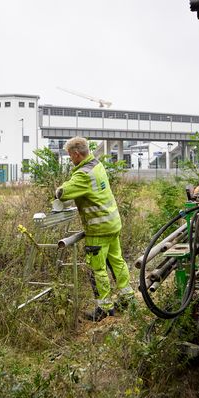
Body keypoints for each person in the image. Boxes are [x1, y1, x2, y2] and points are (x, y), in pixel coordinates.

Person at [55, 137, 135, 321]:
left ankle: (104, 308)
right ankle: (127, 298)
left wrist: (57, 191)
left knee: (96, 269)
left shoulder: (83, 174)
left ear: (76, 154)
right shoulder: (97, 165)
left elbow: (64, 193)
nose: (70, 159)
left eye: (70, 156)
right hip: (112, 223)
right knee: (117, 262)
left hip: (98, 228)